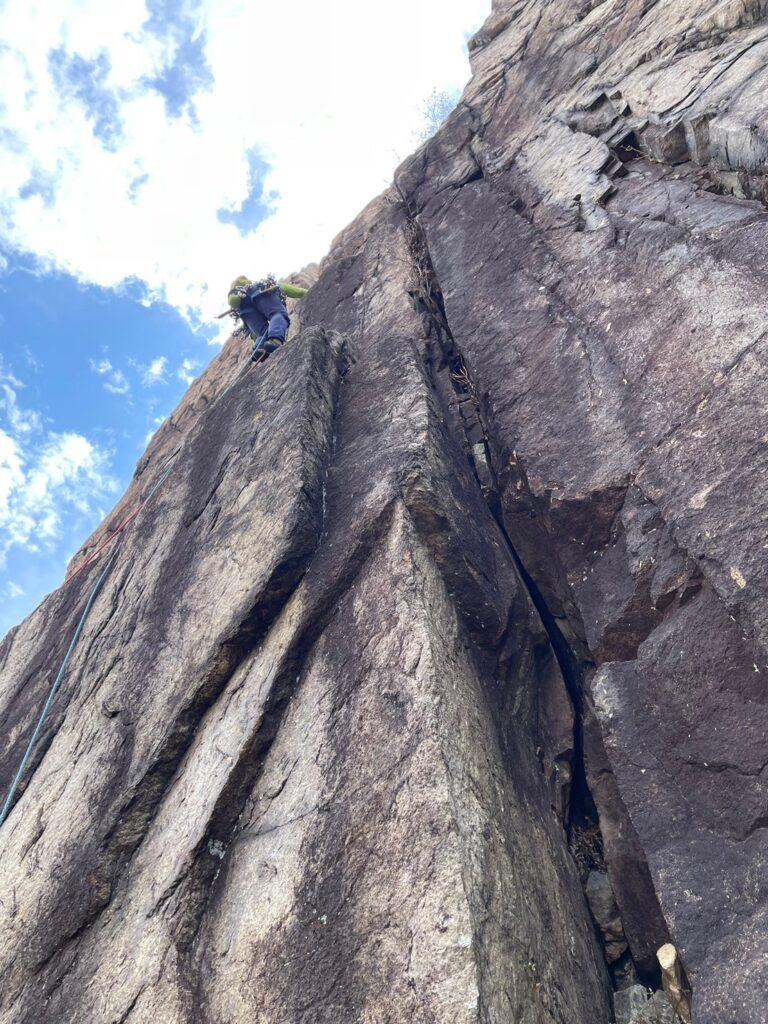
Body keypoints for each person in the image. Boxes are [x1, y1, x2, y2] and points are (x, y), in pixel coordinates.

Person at [227, 275, 309, 359]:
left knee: (261, 332)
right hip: (261, 292)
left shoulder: (238, 297)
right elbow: (297, 291)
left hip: (243, 307)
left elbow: (255, 334)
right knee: (277, 314)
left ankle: (259, 349)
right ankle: (274, 339)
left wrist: (258, 346)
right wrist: (308, 292)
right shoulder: (264, 285)